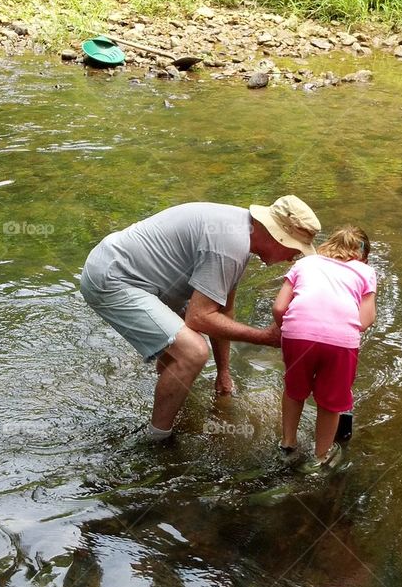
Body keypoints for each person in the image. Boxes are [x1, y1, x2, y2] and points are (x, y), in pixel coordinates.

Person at [80, 196, 321, 438]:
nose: (292, 258)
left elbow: (222, 310)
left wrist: (223, 373)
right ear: (278, 236)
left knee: (186, 343)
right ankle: (158, 439)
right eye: (294, 249)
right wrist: (264, 337)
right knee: (193, 351)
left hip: (138, 274)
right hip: (114, 278)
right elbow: (199, 318)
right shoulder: (230, 245)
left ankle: (170, 388)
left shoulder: (241, 235)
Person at [272, 225, 377, 470]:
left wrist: (286, 331)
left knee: (294, 390)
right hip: (340, 342)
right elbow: (365, 320)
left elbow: (279, 307)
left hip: (297, 334)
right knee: (331, 401)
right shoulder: (365, 271)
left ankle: (287, 445)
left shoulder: (304, 263)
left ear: (329, 245)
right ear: (363, 255)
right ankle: (321, 458)